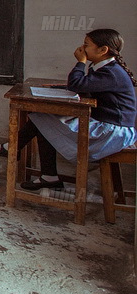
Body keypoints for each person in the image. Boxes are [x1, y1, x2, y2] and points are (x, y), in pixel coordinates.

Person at [18, 29, 136, 190]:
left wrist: (80, 62)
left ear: (103, 50)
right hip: (108, 126)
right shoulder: (106, 68)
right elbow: (86, 87)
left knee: (43, 120)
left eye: (86, 45)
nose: (82, 48)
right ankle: (46, 174)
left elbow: (78, 84)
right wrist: (62, 88)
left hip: (112, 133)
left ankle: (15, 148)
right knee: (44, 121)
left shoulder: (111, 72)